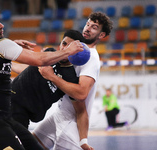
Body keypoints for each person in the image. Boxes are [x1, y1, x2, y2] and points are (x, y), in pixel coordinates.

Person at [0, 3, 83, 150]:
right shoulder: (0, 45)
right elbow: (40, 59)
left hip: (2, 118)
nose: (1, 25)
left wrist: (10, 48)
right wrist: (69, 51)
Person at [32, 11, 113, 150]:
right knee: (30, 144)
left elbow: (81, 94)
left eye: (94, 27)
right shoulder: (76, 50)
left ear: (102, 35)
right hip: (59, 114)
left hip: (70, 121)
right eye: (87, 24)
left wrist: (52, 76)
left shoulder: (91, 57)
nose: (87, 28)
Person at [11, 30, 85, 129]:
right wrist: (9, 65)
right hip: (11, 99)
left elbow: (79, 98)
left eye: (70, 46)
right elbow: (29, 69)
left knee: (17, 142)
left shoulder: (71, 77)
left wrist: (51, 76)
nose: (65, 48)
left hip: (25, 113)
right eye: (64, 43)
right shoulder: (49, 53)